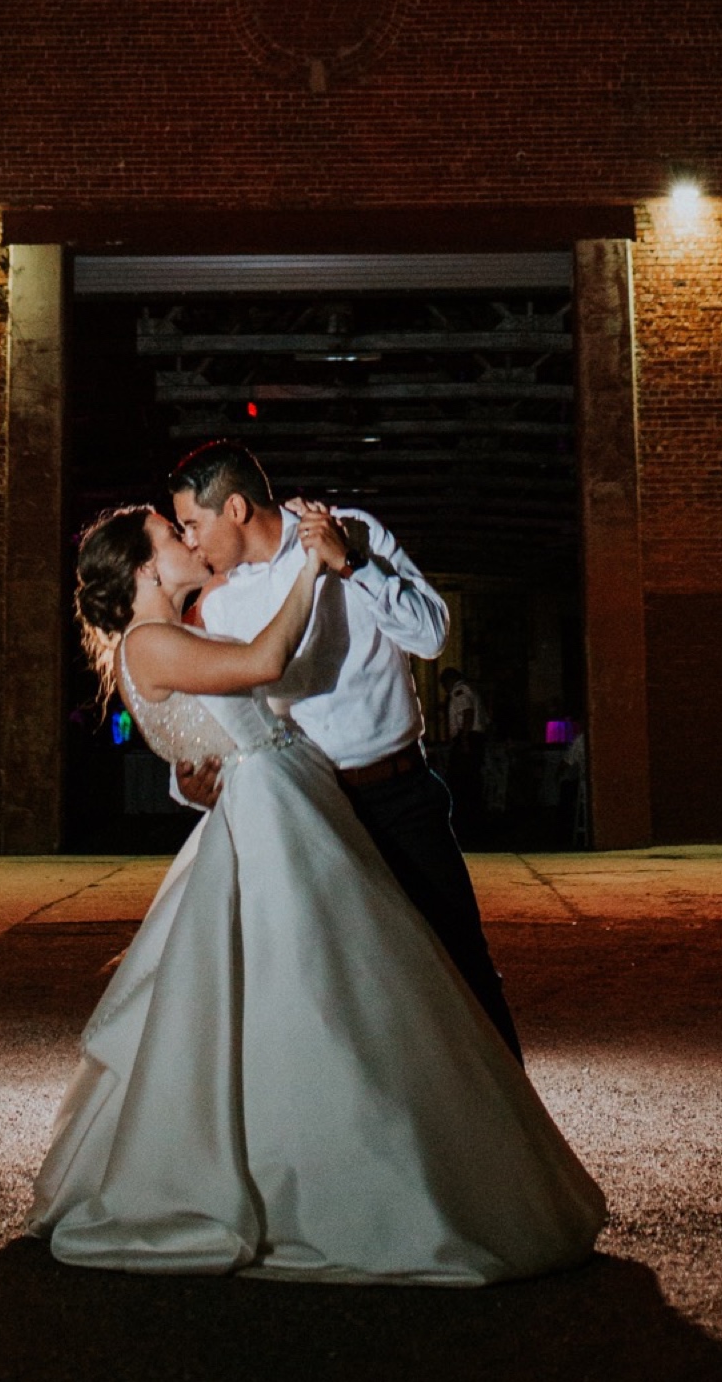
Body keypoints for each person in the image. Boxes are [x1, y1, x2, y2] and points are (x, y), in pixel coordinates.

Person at [30, 504, 605, 1283]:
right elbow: (266, 664)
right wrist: (313, 567)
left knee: (334, 984)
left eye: (186, 524)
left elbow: (213, 727)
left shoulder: (171, 633)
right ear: (143, 571)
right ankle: (339, 1178)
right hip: (274, 812)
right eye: (172, 535)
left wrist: (199, 775)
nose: (187, 539)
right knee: (318, 986)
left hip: (281, 796)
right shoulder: (155, 639)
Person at [169, 438, 520, 1057]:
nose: (189, 541)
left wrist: (354, 565)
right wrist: (189, 784)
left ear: (236, 509)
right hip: (309, 815)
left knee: (460, 964)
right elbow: (224, 722)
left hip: (400, 795)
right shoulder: (220, 606)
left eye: (192, 524)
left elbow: (433, 635)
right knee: (338, 986)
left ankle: (511, 1132)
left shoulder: (351, 530)